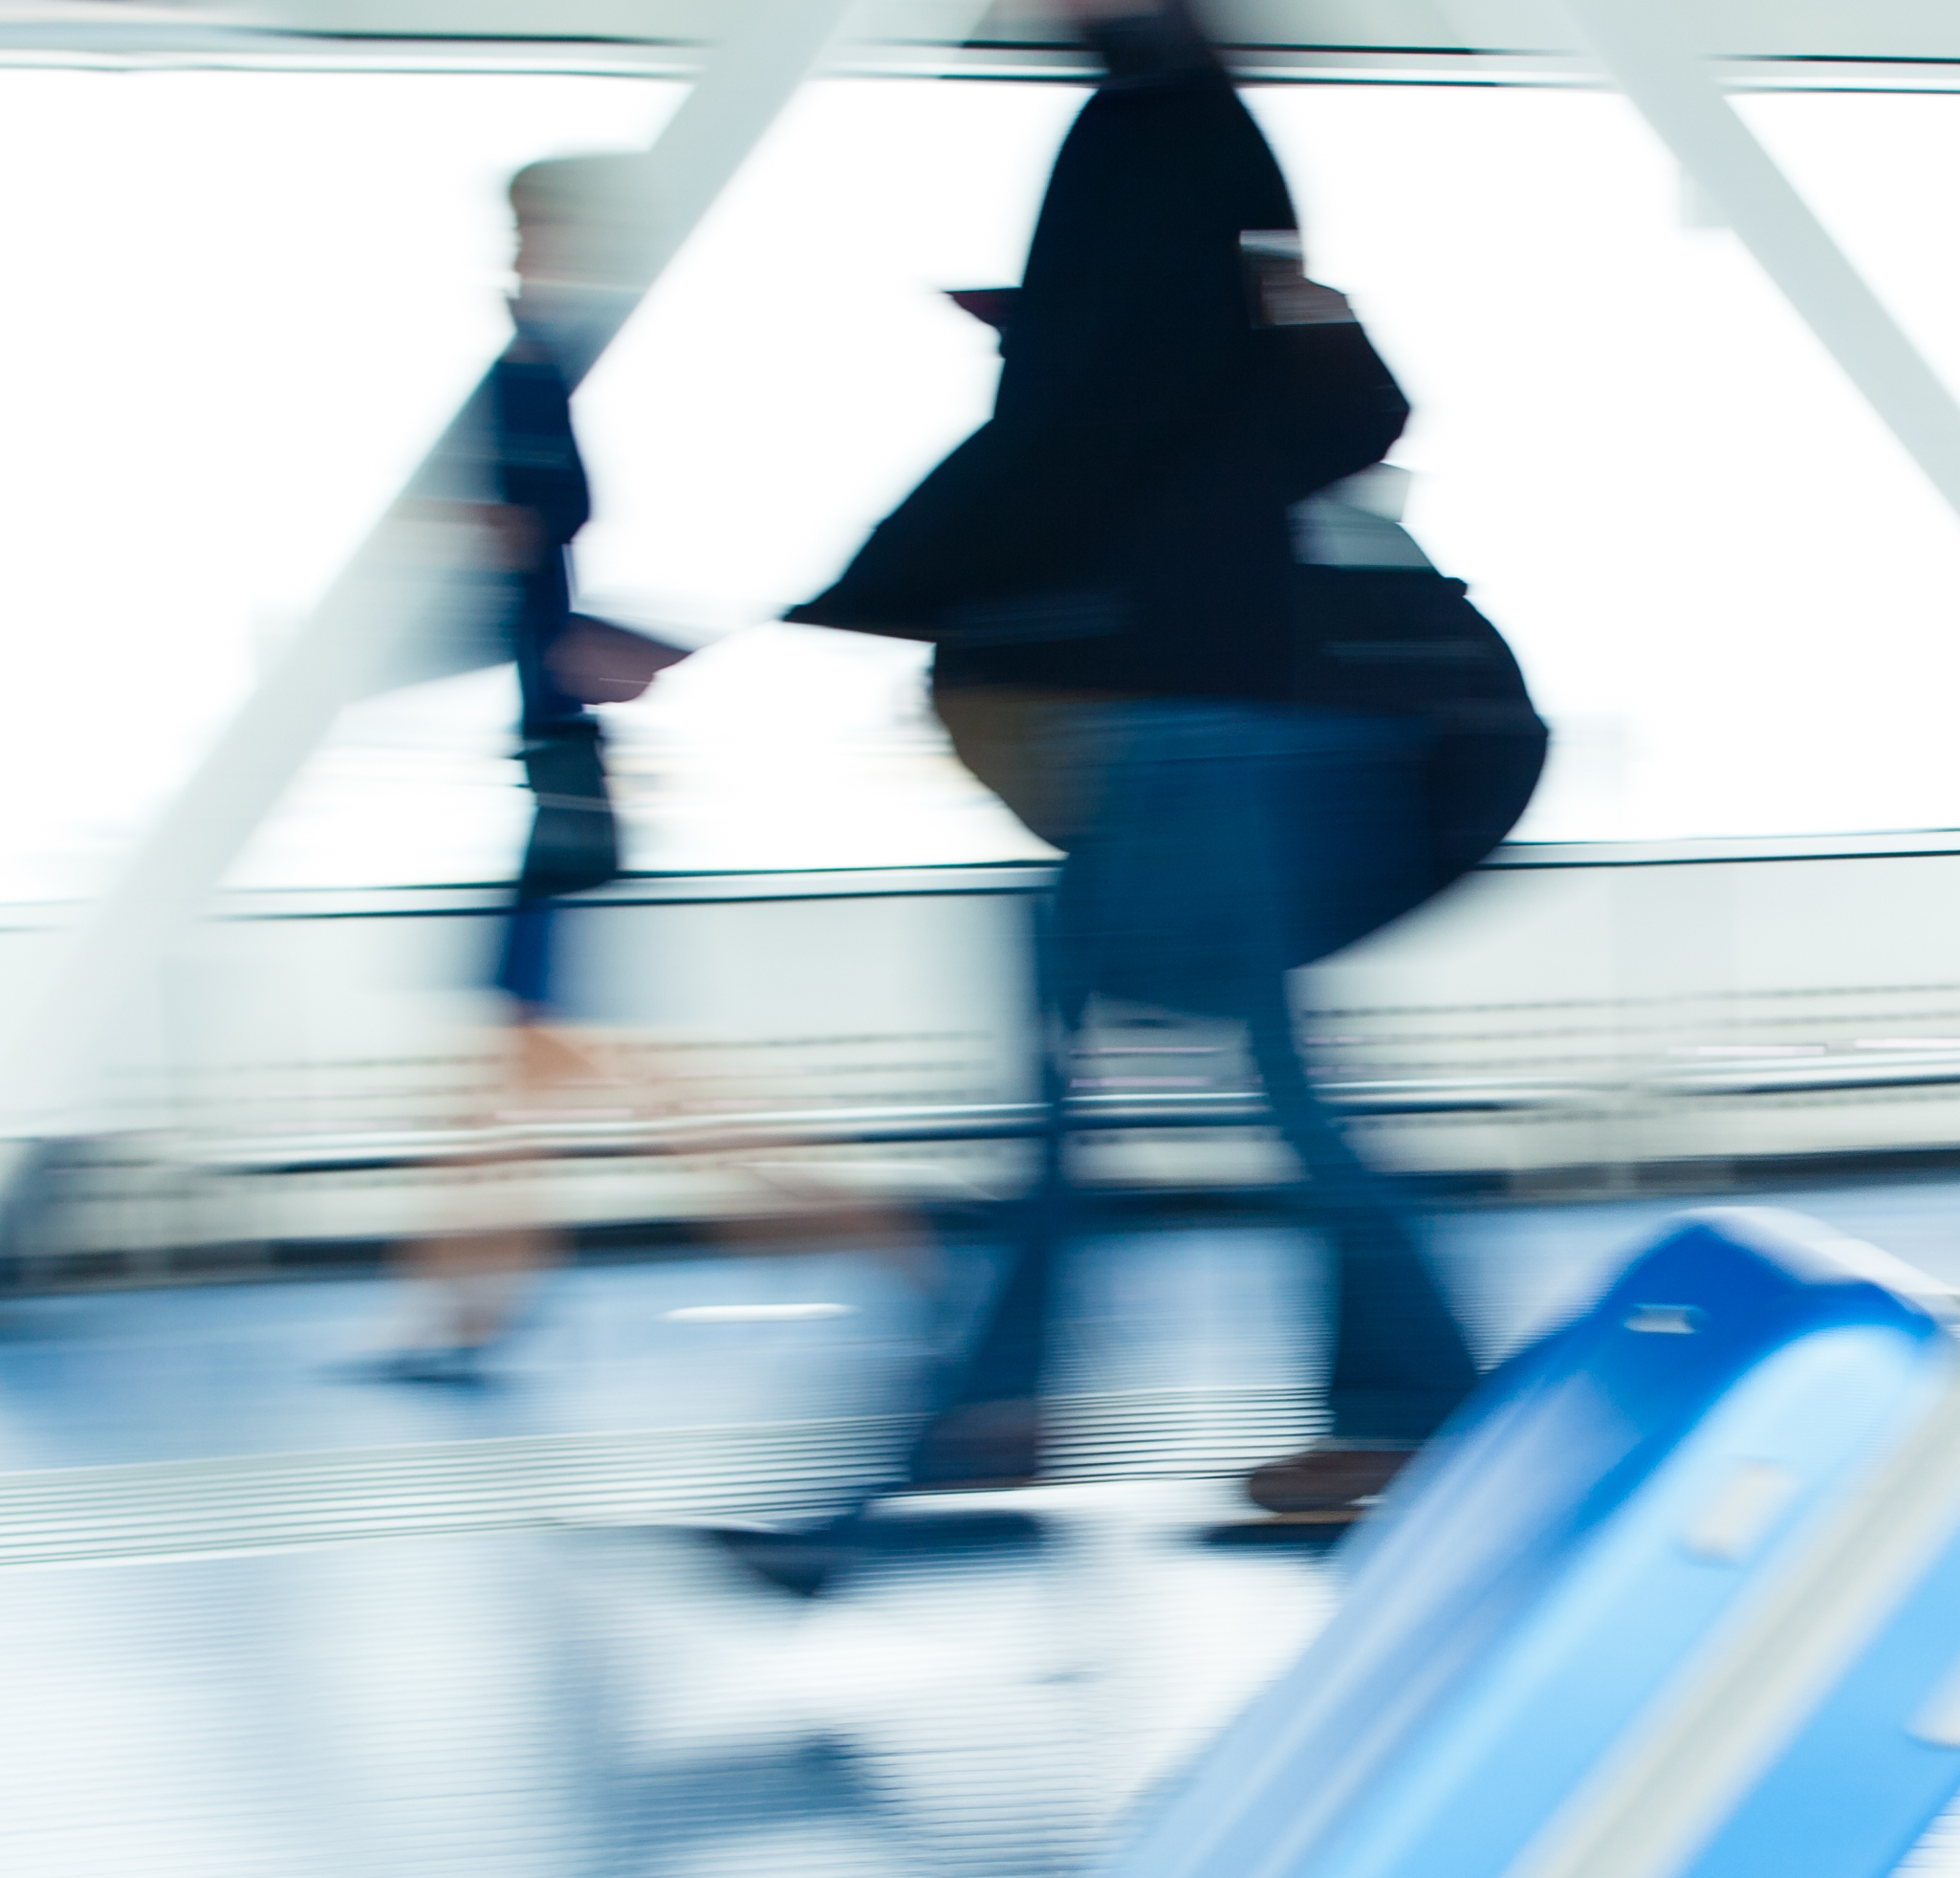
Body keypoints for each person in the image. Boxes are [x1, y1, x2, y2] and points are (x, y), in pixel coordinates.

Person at [749, 0, 1489, 1548]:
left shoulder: (1153, 131)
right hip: (1202, 688)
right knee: (1170, 1082)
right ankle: (1058, 1410)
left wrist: (862, 586)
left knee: (1130, 1085)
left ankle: (1014, 1416)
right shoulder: (1193, 135)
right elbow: (1194, 398)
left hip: (1181, 698)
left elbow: (1095, 416)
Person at [358, 153, 897, 1387]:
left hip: (565, 774)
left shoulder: (532, 384)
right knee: (524, 1067)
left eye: (533, 228)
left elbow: (532, 561)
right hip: (552, 763)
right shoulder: (531, 376)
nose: (518, 250)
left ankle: (846, 1215)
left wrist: (509, 581)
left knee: (555, 1064)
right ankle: (477, 1308)